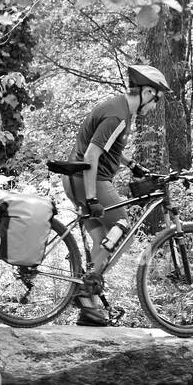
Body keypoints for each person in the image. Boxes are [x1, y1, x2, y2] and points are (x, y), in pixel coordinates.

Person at [63, 64, 170, 327]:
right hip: (89, 179)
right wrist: (91, 199)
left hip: (75, 179)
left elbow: (107, 147)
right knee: (123, 227)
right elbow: (92, 155)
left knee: (103, 241)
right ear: (146, 92)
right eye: (156, 100)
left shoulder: (121, 110)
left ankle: (89, 308)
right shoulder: (118, 115)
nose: (154, 107)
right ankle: (86, 290)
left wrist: (130, 164)